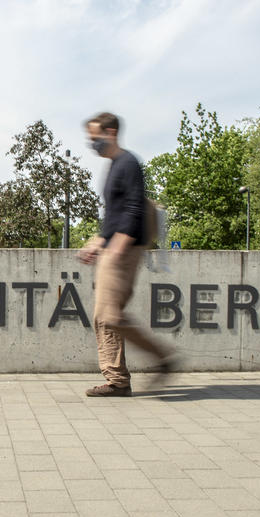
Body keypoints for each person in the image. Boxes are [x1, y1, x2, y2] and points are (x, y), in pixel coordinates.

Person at [79, 111, 173, 397]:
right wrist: (98, 241)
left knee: (110, 315)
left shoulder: (128, 163)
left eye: (95, 137)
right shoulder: (113, 166)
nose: (92, 143)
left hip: (124, 250)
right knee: (103, 316)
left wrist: (119, 243)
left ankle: (162, 358)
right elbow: (114, 215)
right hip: (114, 246)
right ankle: (117, 379)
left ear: (111, 133)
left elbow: (133, 207)